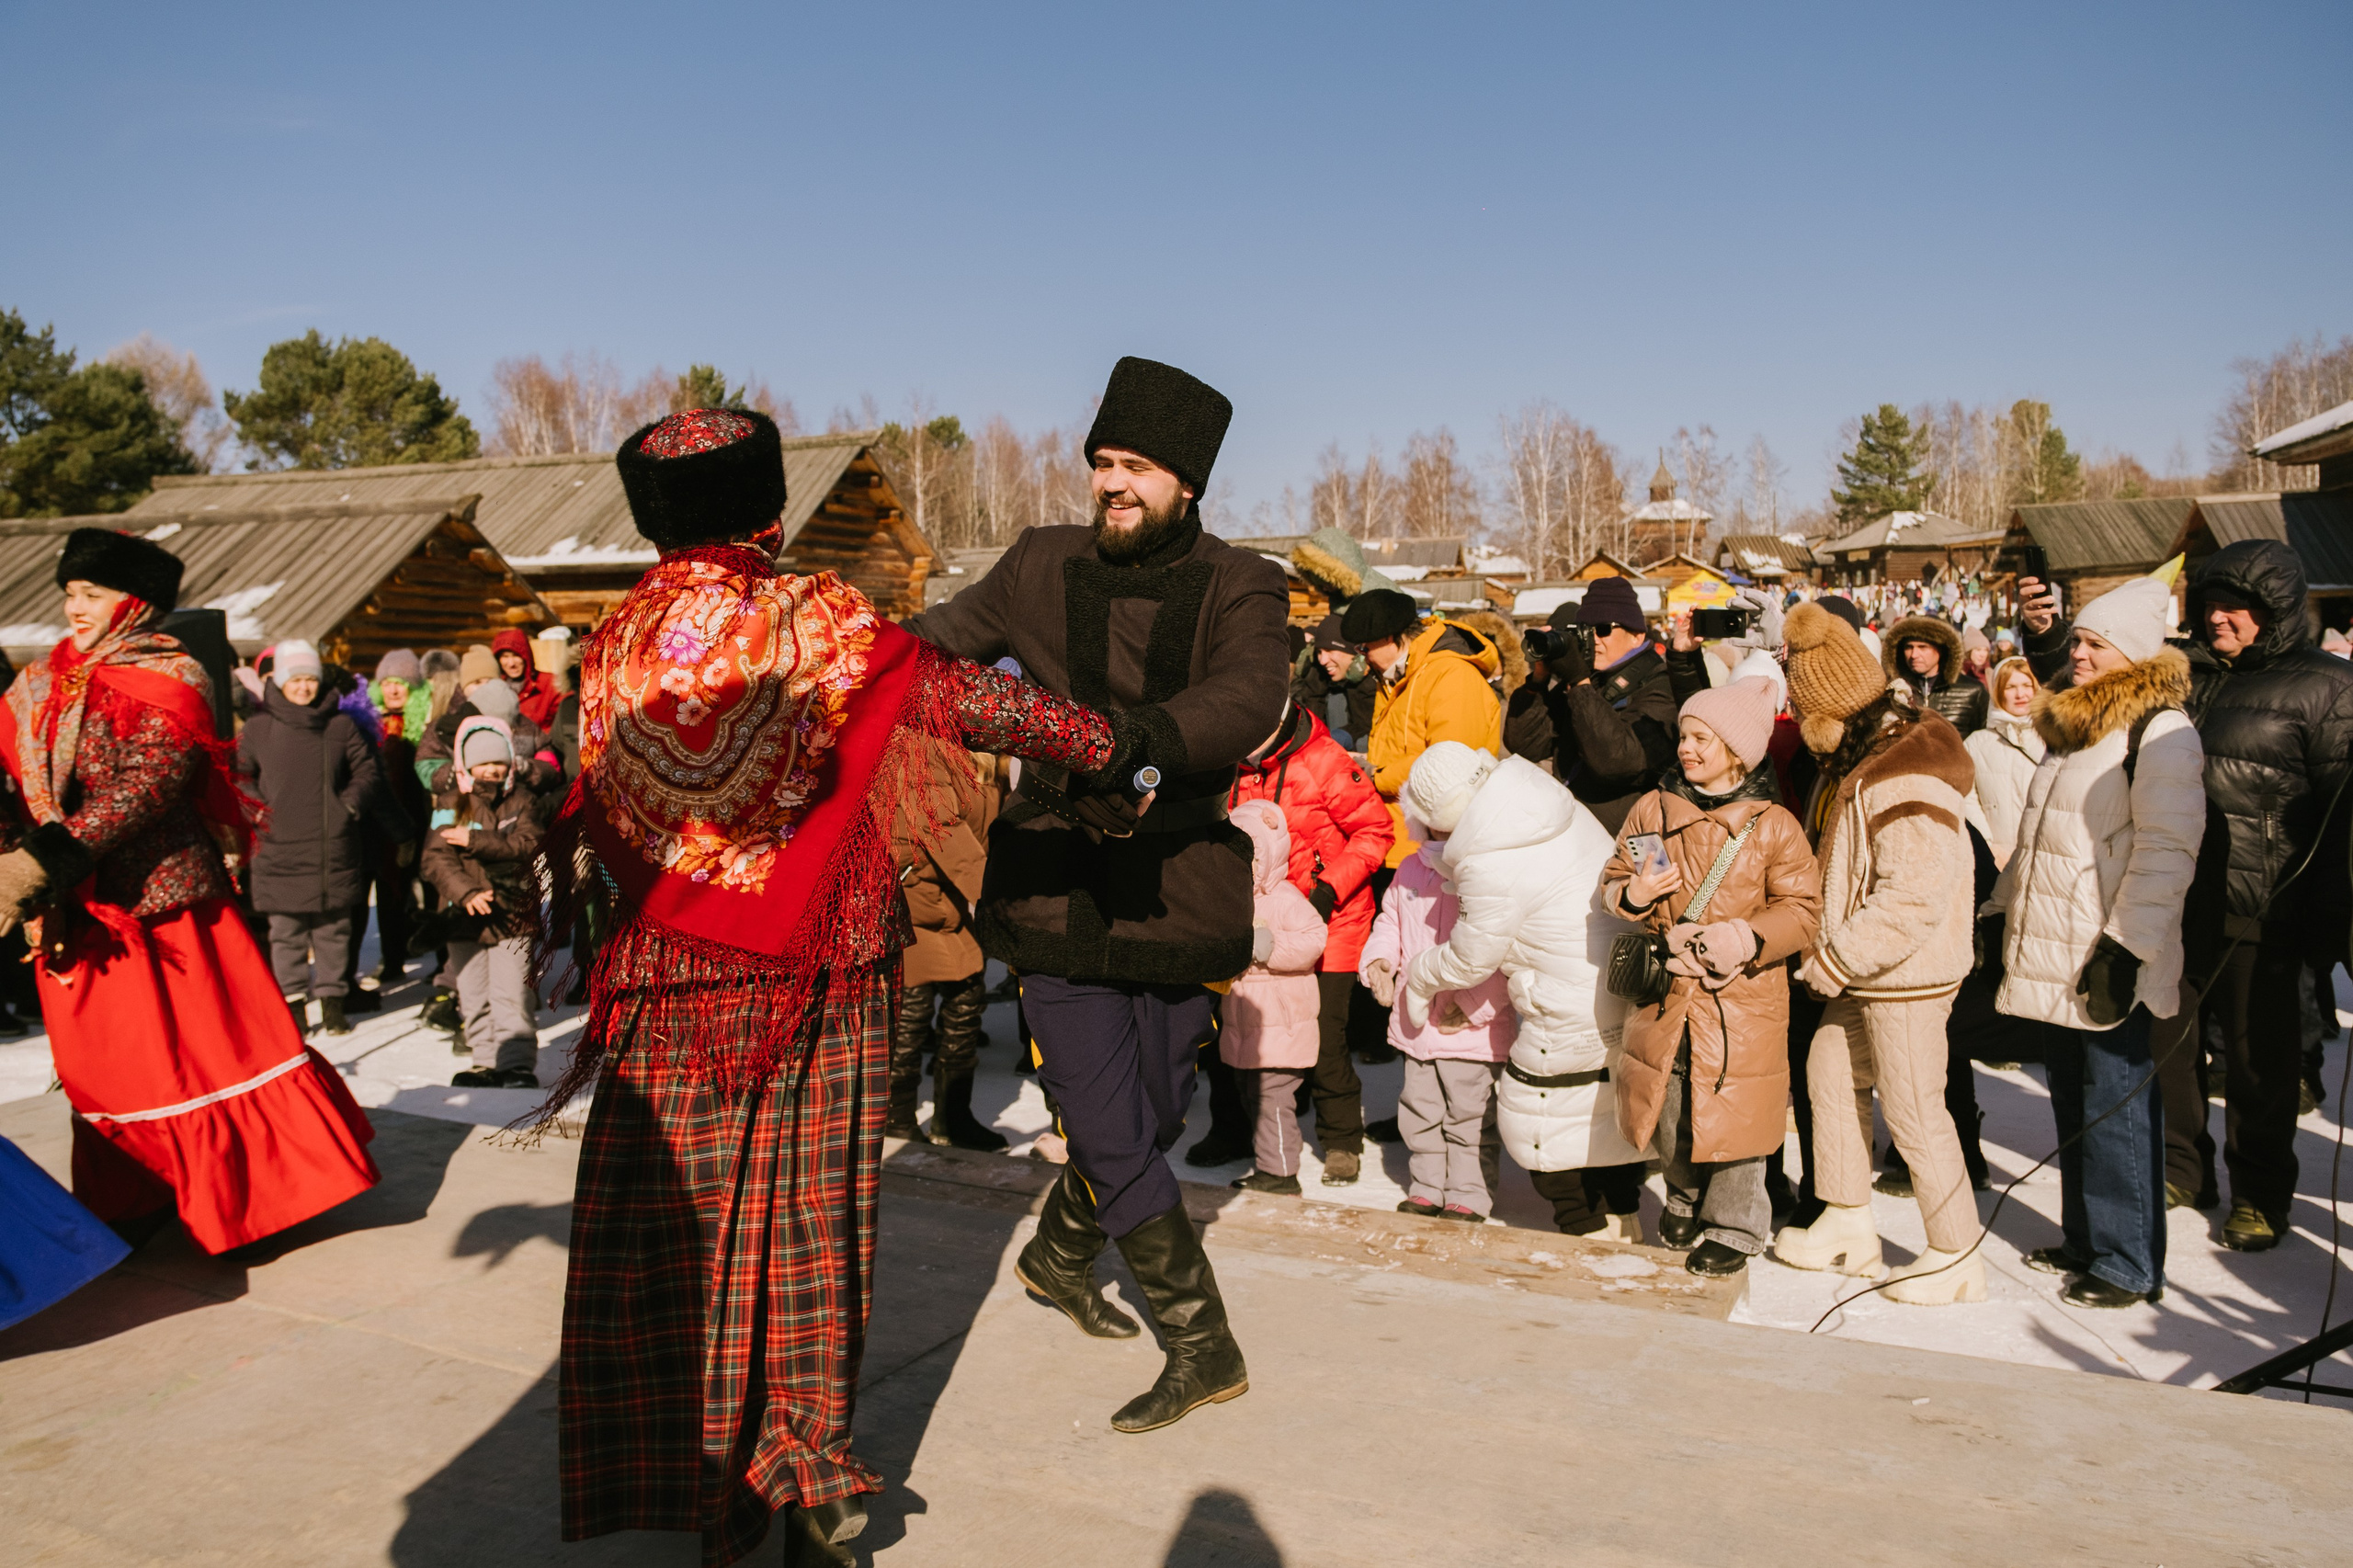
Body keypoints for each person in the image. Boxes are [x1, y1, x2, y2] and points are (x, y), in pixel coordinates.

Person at [547, 407, 1144, 1565]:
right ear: (770, 511)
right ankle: (813, 1473)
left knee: (687, 1241)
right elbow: (976, 700)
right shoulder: (814, 616)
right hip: (817, 963)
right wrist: (1111, 746)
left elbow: (606, 808)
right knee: (815, 1223)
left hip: (668, 973)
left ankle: (708, 1487)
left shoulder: (615, 637)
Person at [902, 358, 1285, 1434]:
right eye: (1103, 462)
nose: (1113, 482)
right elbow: (939, 642)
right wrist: (851, 653)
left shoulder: (1242, 580)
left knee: (1154, 1113)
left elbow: (1247, 696)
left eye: (1137, 466)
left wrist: (1133, 744)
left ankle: (1058, 1255)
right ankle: (1202, 1344)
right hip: (1053, 887)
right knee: (1111, 1133)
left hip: (1175, 886)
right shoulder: (1036, 561)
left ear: (1187, 483)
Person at [0, 528, 378, 1253]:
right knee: (104, 1065)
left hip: (162, 903)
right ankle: (138, 1191)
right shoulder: (39, 681)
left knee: (203, 1056)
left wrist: (44, 860)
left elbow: (152, 780)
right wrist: (22, 860)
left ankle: (254, 1203)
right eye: (71, 594)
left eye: (94, 594)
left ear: (135, 602)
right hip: (76, 908)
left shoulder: (172, 672)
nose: (76, 608)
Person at [1991, 574, 2205, 1308]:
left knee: (2115, 1107)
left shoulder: (2160, 732)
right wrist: (2000, 908)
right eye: (2076, 640)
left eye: (2092, 643)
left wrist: (2125, 948)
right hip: (2056, 948)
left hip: (2107, 954)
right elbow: (2035, 836)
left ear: (2133, 654)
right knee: (2075, 1106)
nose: (2076, 653)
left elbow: (2167, 852)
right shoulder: (2074, 725)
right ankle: (2086, 1236)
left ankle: (2126, 1260)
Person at [1773, 602, 1984, 1303]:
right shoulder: (1870, 757)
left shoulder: (1904, 774)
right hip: (1872, 973)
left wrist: (1836, 960)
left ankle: (1955, 1251)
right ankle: (1846, 1218)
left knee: (1917, 1109)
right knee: (1829, 1070)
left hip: (1906, 973)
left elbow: (1913, 895)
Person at [2144, 540, 2353, 1247]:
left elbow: (2339, 809)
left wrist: (2329, 913)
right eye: (2210, 603)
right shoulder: (2183, 675)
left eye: (2237, 606)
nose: (2219, 617)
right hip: (2175, 894)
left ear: (2278, 610)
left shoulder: (2327, 685)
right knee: (2168, 1041)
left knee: (2258, 1058)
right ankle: (2182, 1167)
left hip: (2261, 904)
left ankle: (2260, 1192)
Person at [1603, 677, 1822, 1277]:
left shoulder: (1773, 826)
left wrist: (1747, 936)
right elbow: (1619, 875)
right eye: (1684, 735)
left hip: (1741, 997)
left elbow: (1804, 910)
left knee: (1734, 1112)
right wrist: (1634, 893)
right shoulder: (1654, 810)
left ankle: (1734, 1224)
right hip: (1667, 991)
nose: (1687, 748)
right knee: (1668, 1105)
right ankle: (1683, 1195)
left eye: (1702, 737)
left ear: (1736, 750)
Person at [1393, 742, 1648, 1239]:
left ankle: (1586, 1231)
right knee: (1604, 1105)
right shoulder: (1540, 803)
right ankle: (1623, 1215)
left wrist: (1421, 976)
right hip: (1617, 978)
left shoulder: (1488, 856)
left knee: (1538, 1117)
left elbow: (1471, 957)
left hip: (1567, 996)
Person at [1223, 696, 1393, 1182]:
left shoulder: (1324, 760)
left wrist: (1326, 889)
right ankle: (1264, 1132)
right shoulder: (1233, 766)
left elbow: (1374, 832)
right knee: (1257, 1032)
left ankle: (1341, 1139)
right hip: (1262, 926)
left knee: (1324, 1036)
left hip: (1333, 919)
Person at [1358, 784, 1516, 1221]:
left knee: (1469, 1116)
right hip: (1417, 1022)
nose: (1439, 827)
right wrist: (1380, 961)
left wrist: (1473, 1004)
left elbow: (1504, 948)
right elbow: (1390, 920)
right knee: (1420, 1111)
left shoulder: (1487, 873)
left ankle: (1469, 1193)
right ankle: (1427, 1185)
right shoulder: (1410, 869)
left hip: (1469, 1028)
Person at [236, 639, 382, 1036]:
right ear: (280, 681)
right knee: (286, 933)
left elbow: (367, 771)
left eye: (310, 679)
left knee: (334, 930)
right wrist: (258, 810)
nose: (303, 687)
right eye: (295, 679)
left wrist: (347, 806)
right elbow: (239, 776)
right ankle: (294, 1004)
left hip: (330, 844)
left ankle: (334, 1002)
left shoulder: (340, 725)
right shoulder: (258, 728)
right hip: (278, 847)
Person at [886, 742, 1006, 1151]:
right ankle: (897, 1120)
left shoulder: (991, 758)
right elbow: (940, 827)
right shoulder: (919, 748)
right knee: (912, 1011)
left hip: (956, 902)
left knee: (967, 1001)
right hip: (914, 896)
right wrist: (995, 897)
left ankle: (954, 1117)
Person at [419, 716, 544, 1090]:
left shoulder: (523, 802)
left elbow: (529, 845)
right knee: (473, 993)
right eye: (482, 762)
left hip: (512, 913)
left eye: (498, 762)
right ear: (465, 765)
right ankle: (484, 1059)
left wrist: (475, 841)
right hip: (464, 915)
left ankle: (516, 1062)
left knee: (512, 992)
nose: (491, 769)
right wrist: (466, 892)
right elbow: (435, 857)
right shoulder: (450, 803)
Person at [1503, 576, 1677, 835]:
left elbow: (1618, 762)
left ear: (1637, 636)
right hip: (1575, 836)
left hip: (1629, 843)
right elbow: (1526, 745)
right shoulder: (1588, 679)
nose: (1594, 639)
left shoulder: (1660, 684)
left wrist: (1580, 685)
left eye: (1604, 629)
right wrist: (1539, 679)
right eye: (1585, 629)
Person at [1348, 587, 1505, 864]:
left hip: (1436, 850)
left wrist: (1377, 776)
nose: (1363, 658)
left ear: (1389, 637)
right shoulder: (1397, 676)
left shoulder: (1452, 676)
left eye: (1364, 648)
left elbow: (1450, 764)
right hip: (1400, 842)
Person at [1220, 800, 1329, 1195]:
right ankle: (1270, 1160)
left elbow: (1314, 941)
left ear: (1268, 858)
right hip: (1245, 1025)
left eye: (1250, 857)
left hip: (1281, 1027)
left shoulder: (1285, 900)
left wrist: (1268, 946)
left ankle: (1281, 1173)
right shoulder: (1231, 903)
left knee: (1272, 1101)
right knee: (1253, 1097)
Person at [1966, 656, 2045, 865]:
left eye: (2027, 685)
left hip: (2046, 855)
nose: (2020, 694)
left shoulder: (2052, 737)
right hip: (1997, 858)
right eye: (2010, 687)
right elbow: (1967, 799)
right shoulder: (1977, 743)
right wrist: (1989, 846)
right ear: (1999, 692)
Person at [1883, 614, 1990, 736]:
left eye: (1923, 647)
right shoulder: (1892, 690)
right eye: (1909, 647)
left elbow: (1982, 744)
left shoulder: (1973, 691)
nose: (1914, 655)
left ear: (1942, 649)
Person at [1290, 613, 1377, 749]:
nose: (1322, 660)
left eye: (1330, 650)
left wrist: (1341, 737)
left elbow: (1366, 725)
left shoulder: (1376, 683)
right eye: (1319, 652)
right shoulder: (1318, 680)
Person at [494, 626, 563, 732]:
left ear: (526, 656)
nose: (511, 663)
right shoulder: (495, 689)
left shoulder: (549, 683)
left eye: (516, 655)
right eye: (505, 656)